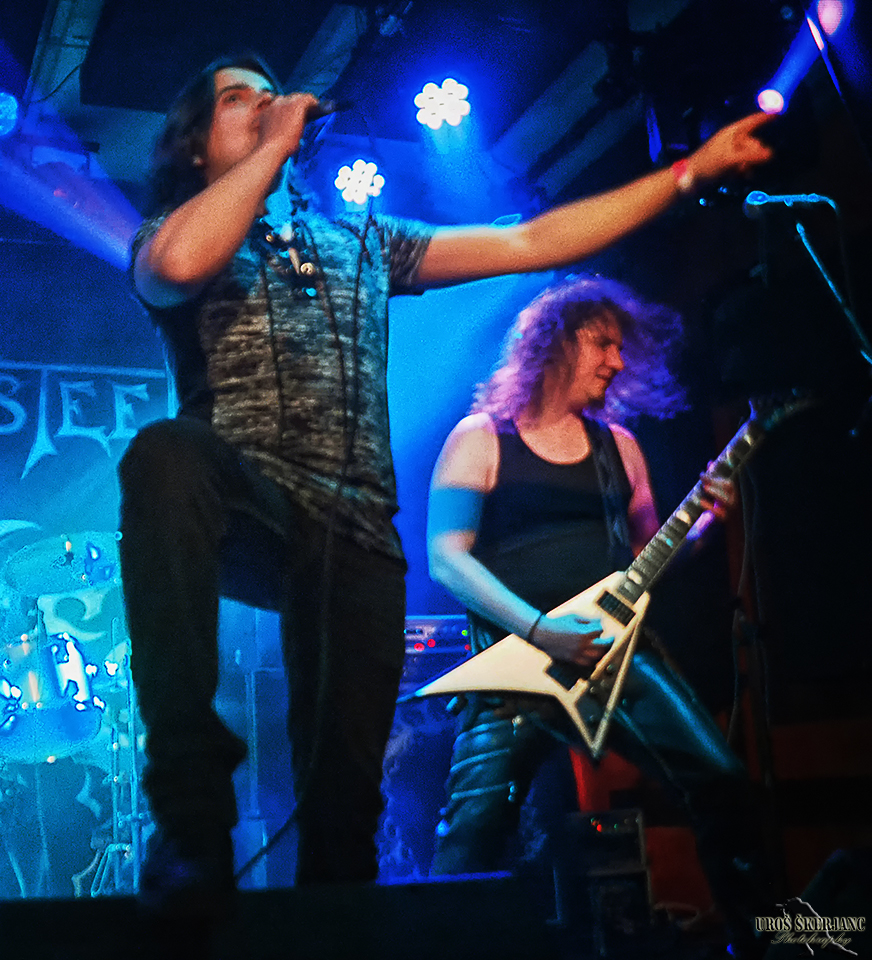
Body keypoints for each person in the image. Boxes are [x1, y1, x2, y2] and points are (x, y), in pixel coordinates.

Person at [118, 52, 773, 921]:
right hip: (245, 505)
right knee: (164, 454)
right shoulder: (171, 231)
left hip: (352, 534)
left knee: (344, 820)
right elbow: (174, 267)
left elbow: (530, 243)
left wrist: (688, 173)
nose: (267, 104)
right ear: (195, 145)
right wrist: (270, 149)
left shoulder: (360, 242)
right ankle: (190, 805)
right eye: (238, 99)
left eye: (272, 96)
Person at [426, 276, 767, 955]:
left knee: (723, 781)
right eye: (603, 343)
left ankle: (755, 940)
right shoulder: (481, 438)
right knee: (473, 836)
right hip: (516, 669)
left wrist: (702, 528)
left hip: (616, 656)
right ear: (554, 342)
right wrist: (540, 629)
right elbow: (447, 558)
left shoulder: (620, 447)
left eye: (620, 347)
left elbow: (645, 562)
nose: (617, 360)